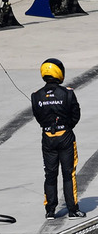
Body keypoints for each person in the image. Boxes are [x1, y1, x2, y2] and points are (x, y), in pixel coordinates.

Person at [31, 58, 84, 220]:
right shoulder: (67, 93)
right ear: (59, 72)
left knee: (50, 174)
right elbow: (76, 115)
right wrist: (66, 126)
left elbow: (38, 117)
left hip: (47, 137)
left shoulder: (36, 95)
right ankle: (73, 210)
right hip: (65, 136)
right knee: (69, 174)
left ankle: (50, 210)